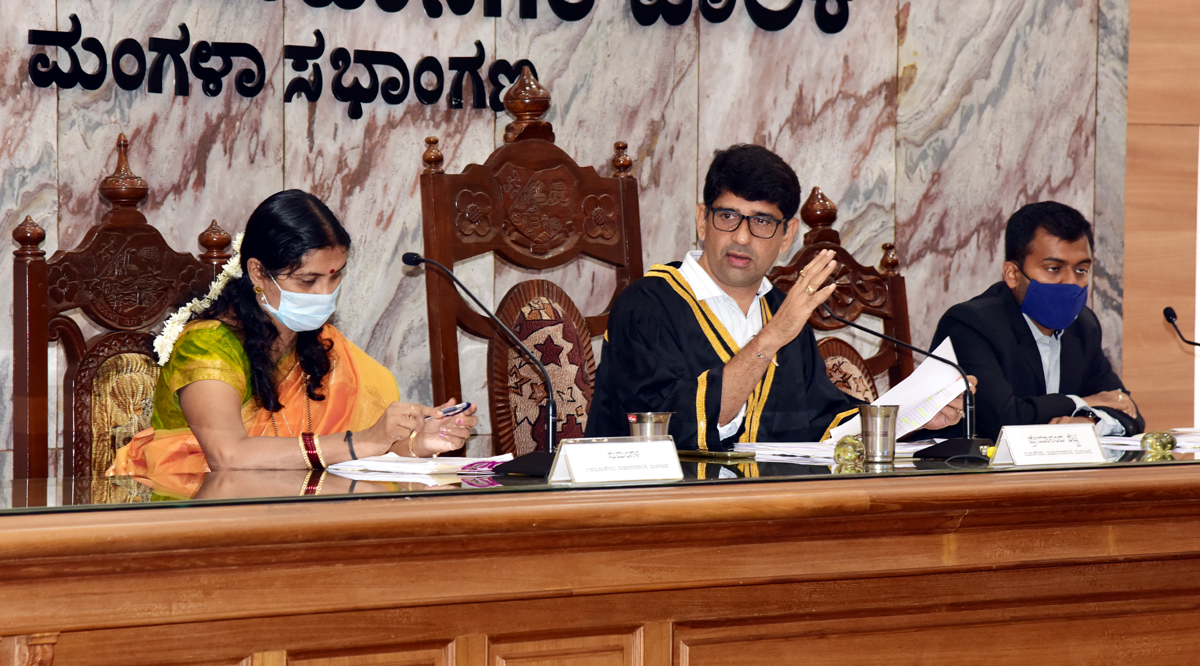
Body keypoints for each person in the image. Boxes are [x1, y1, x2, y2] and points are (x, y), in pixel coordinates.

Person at [586, 144, 965, 450]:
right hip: (656, 508)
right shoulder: (646, 305)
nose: (741, 237)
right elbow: (668, 430)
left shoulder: (780, 310)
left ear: (787, 235)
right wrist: (772, 337)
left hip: (768, 507)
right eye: (728, 216)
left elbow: (821, 421)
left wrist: (913, 416)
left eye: (762, 221)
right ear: (702, 219)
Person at [110, 190, 477, 476]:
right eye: (307, 280)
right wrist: (362, 441)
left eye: (335, 276)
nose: (325, 294)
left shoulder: (322, 342)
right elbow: (228, 456)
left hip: (299, 509)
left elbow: (356, 451)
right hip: (201, 516)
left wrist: (416, 443)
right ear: (258, 272)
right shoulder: (207, 347)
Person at [930, 201, 1143, 441]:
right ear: (1012, 274)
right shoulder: (970, 324)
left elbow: (1128, 410)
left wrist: (1088, 420)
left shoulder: (1083, 326)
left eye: (1081, 270)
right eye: (1053, 269)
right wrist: (1082, 402)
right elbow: (1004, 420)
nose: (1071, 283)